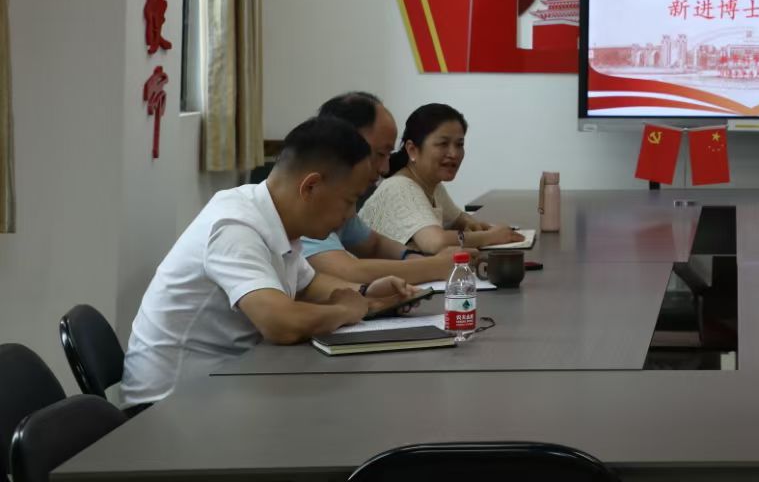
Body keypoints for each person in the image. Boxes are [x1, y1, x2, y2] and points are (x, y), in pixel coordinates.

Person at [122, 117, 422, 406]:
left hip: (223, 385)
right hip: (168, 406)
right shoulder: (235, 226)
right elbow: (281, 324)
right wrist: (346, 310)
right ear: (311, 187)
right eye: (348, 200)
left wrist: (367, 295)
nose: (349, 215)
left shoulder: (275, 217)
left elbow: (309, 285)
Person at [301, 92, 464, 285]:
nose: (385, 169)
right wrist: (435, 266)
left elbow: (374, 245)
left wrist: (415, 258)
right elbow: (347, 271)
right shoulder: (309, 198)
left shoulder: (340, 202)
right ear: (341, 144)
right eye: (380, 154)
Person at [360, 103, 523, 254]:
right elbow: (436, 242)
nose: (454, 154)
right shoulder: (400, 187)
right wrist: (491, 236)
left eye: (459, 144)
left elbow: (458, 218)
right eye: (443, 144)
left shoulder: (432, 185)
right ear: (412, 150)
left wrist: (471, 224)